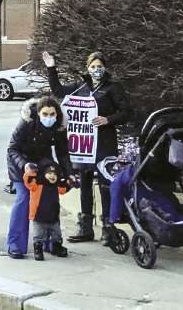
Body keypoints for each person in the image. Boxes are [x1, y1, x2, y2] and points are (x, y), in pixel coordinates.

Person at [43, 50, 132, 246]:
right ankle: (85, 227)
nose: (96, 70)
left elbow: (126, 112)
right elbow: (58, 91)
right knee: (84, 183)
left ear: (105, 68)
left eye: (100, 66)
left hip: (104, 143)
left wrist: (108, 119)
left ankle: (108, 228)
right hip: (84, 144)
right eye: (93, 67)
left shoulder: (113, 88)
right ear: (87, 68)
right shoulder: (81, 86)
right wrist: (51, 68)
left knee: (104, 185)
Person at [5, 95, 74, 259]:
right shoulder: (26, 122)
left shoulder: (59, 126)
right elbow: (12, 148)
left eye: (52, 114)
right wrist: (24, 165)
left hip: (43, 163)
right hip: (20, 163)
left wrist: (69, 173)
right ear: (38, 113)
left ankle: (50, 242)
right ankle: (15, 244)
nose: (49, 118)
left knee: (49, 199)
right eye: (45, 114)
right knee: (24, 199)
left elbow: (63, 153)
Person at [24, 158, 73, 261]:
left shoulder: (56, 186)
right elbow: (28, 181)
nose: (52, 176)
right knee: (38, 236)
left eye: (55, 174)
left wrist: (71, 182)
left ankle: (57, 247)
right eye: (49, 173)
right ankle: (38, 250)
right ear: (44, 174)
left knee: (57, 234)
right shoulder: (37, 184)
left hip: (54, 217)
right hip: (39, 216)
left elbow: (64, 189)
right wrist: (30, 172)